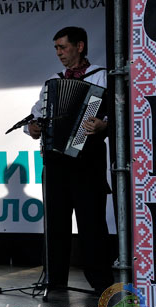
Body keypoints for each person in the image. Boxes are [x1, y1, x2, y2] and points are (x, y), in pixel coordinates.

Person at [25, 26, 114, 291]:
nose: (59, 53)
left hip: (88, 160)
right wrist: (32, 127)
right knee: (56, 222)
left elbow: (119, 112)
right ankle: (55, 280)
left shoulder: (102, 76)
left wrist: (104, 124)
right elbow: (36, 114)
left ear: (80, 46)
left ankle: (100, 282)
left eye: (63, 47)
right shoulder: (53, 81)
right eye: (56, 48)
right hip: (56, 161)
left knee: (91, 222)